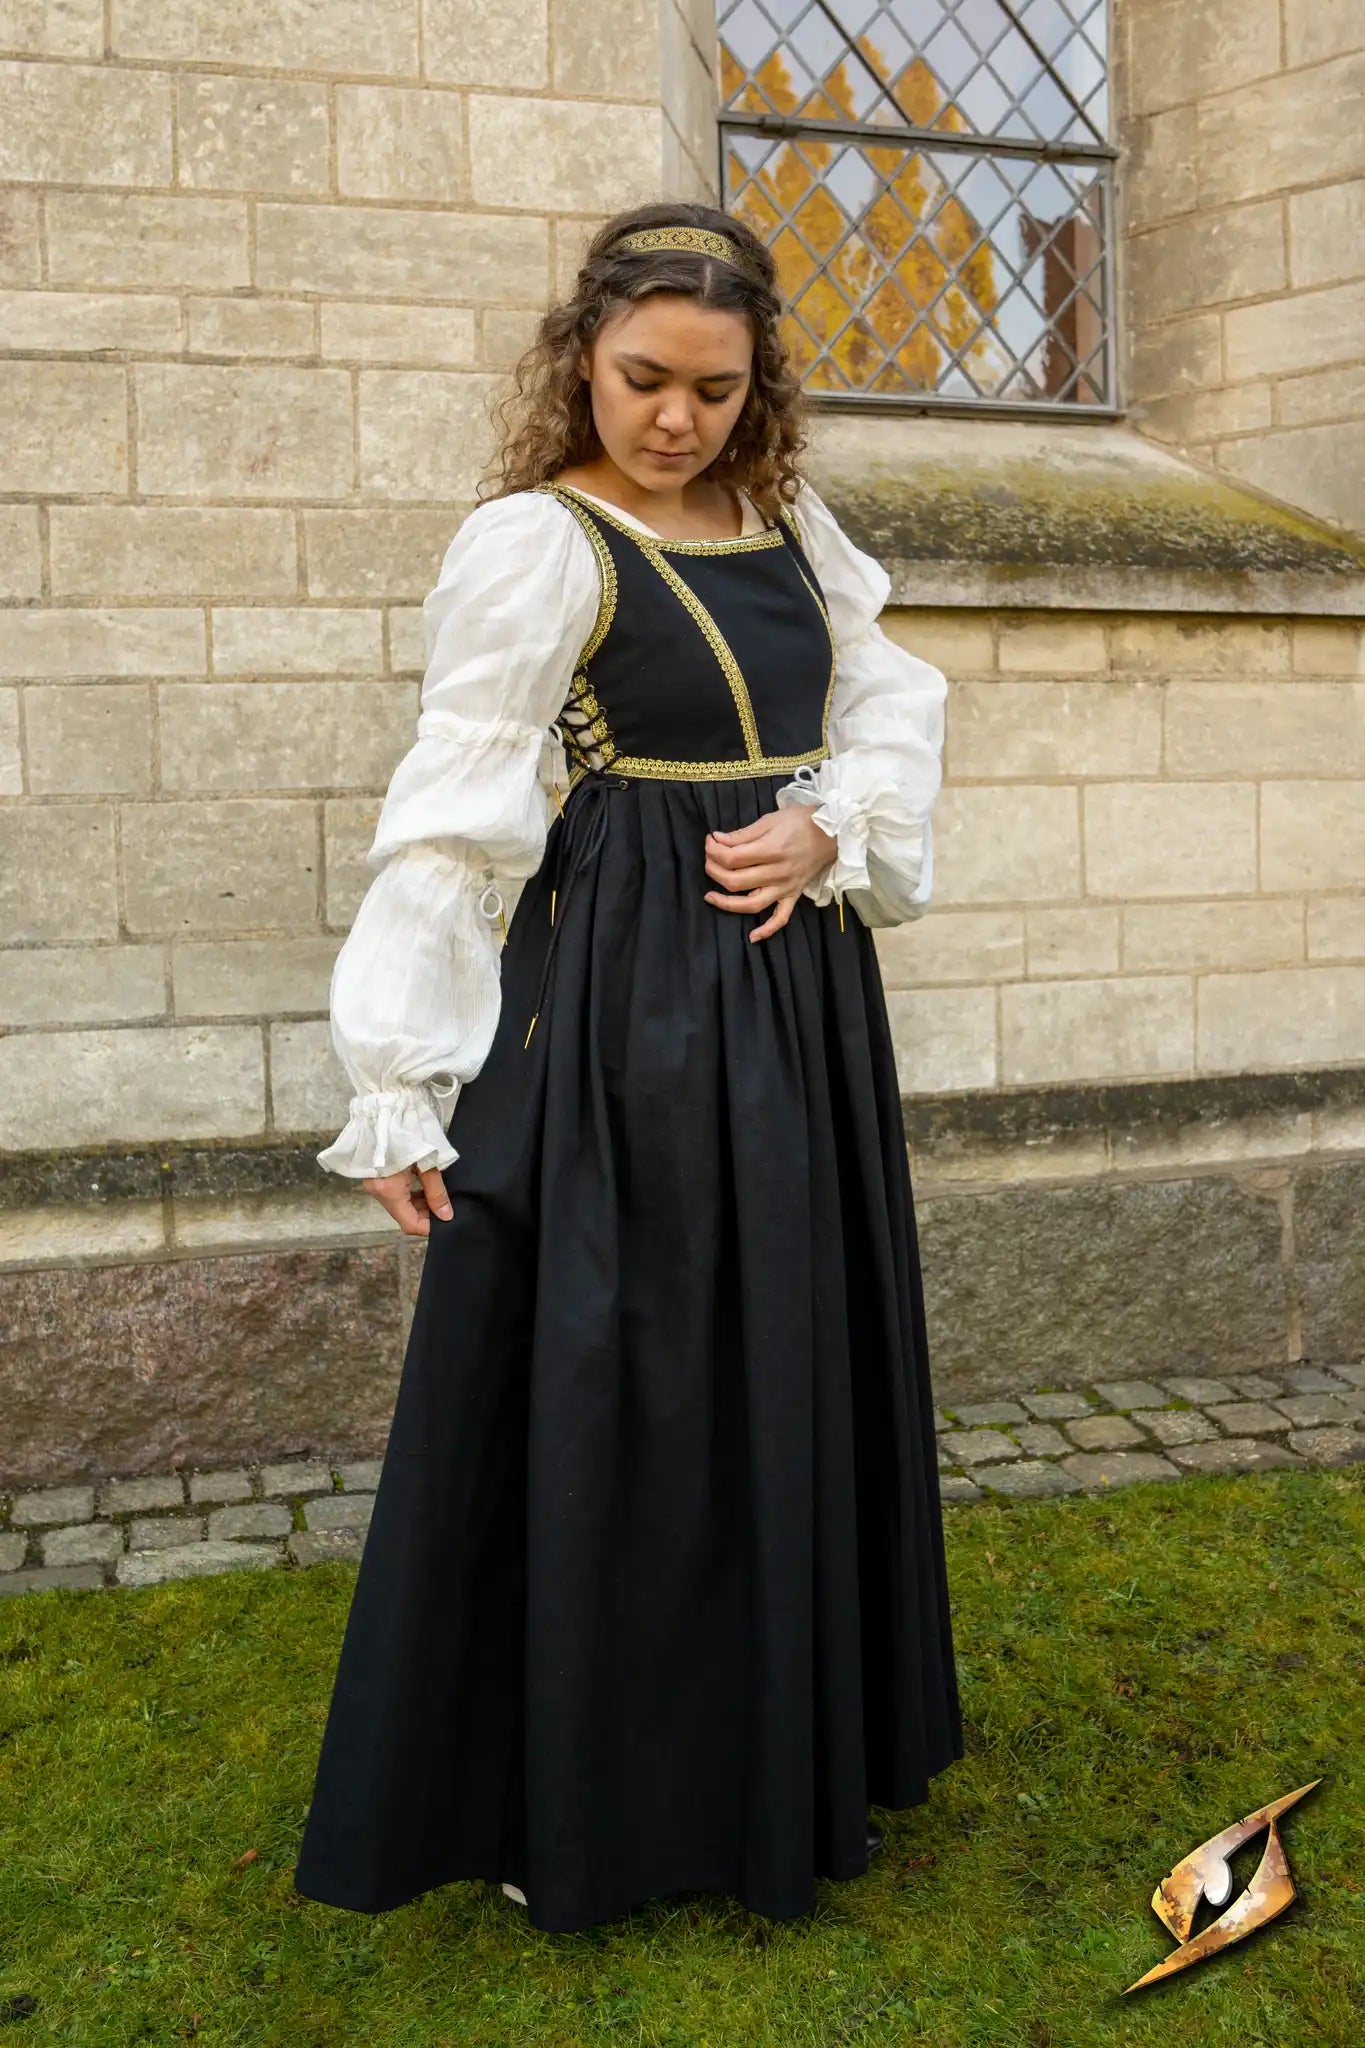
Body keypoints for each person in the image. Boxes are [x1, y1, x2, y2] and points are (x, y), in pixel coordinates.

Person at [292, 199, 963, 1936]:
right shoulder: (537, 543)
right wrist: (399, 1075)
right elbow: (455, 820)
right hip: (629, 1004)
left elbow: (886, 697)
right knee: (636, 1360)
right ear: (580, 363)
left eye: (715, 391)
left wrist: (830, 825)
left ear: (759, 394)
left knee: (781, 1345)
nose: (677, 420)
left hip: (798, 995)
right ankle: (584, 1781)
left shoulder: (787, 517)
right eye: (644, 380)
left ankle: (781, 1740)